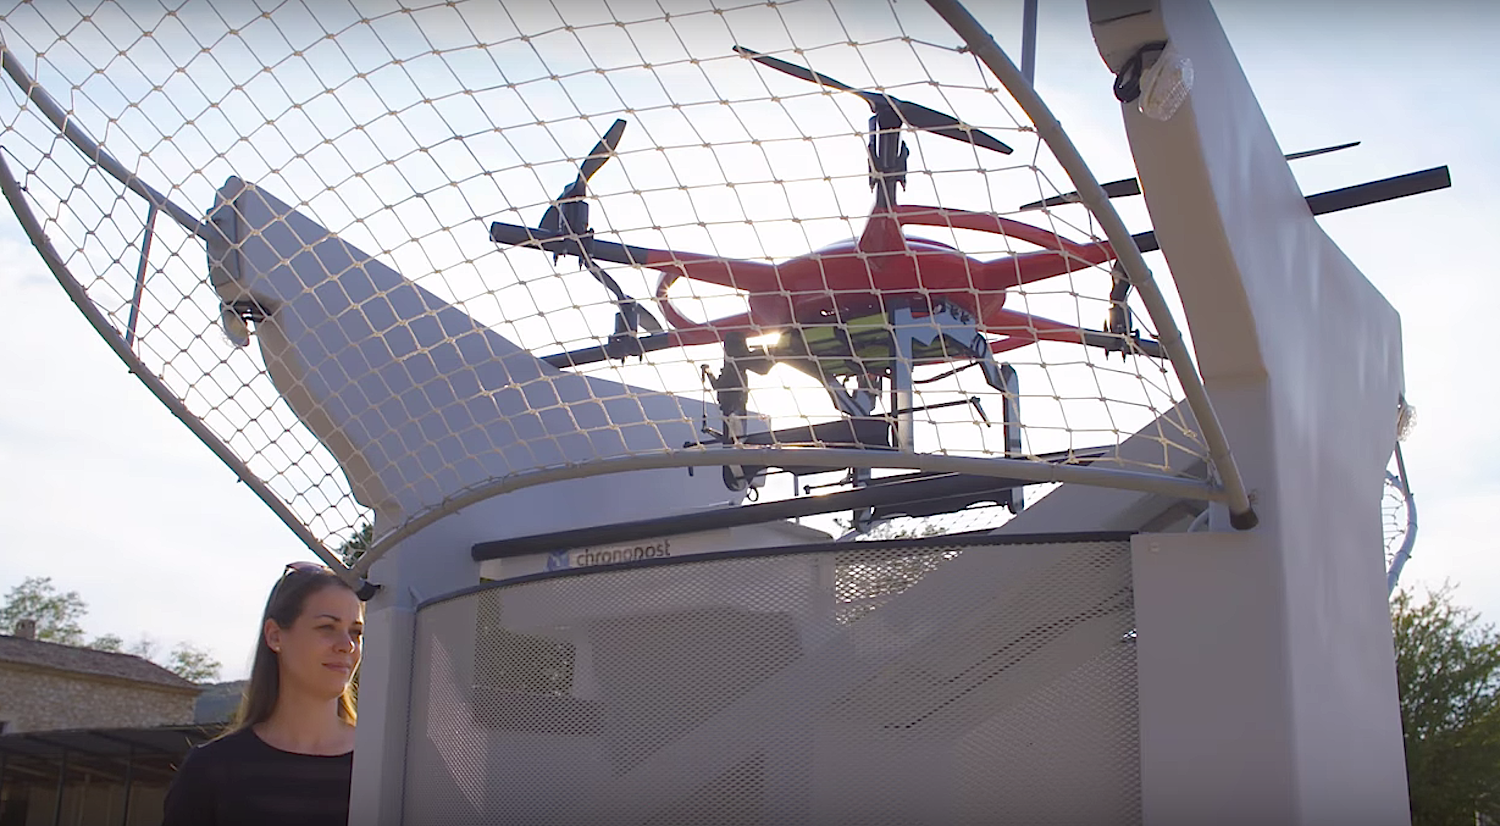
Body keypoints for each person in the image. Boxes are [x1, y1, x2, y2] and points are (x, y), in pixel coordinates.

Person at [162, 562, 363, 826]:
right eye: (327, 627)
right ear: (275, 636)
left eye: (356, 632)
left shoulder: (389, 763)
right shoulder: (211, 768)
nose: (347, 645)